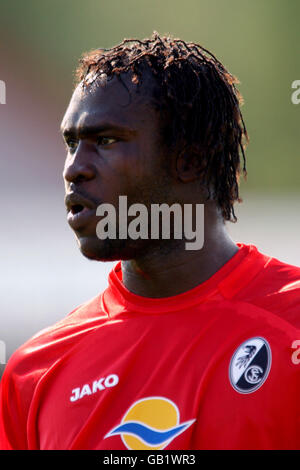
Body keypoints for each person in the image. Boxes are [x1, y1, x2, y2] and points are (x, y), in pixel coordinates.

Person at [0, 33, 299, 450]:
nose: (73, 169)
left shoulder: (291, 325)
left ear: (190, 160)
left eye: (105, 141)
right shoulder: (35, 373)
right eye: (71, 144)